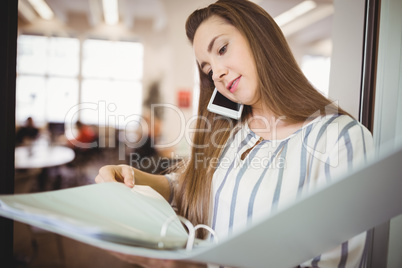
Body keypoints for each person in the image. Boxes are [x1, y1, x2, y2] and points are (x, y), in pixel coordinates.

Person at [95, 0, 374, 267]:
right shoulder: (230, 130)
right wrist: (132, 177)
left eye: (222, 49)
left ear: (259, 36)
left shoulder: (341, 140)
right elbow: (193, 189)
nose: (216, 73)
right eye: (207, 68)